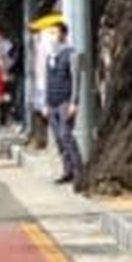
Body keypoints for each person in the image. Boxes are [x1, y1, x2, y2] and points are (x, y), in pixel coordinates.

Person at [43, 21, 82, 185]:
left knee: (66, 134)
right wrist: (45, 102)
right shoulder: (50, 56)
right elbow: (47, 80)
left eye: (55, 32)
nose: (52, 36)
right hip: (52, 101)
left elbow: (75, 78)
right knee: (58, 138)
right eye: (50, 33)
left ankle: (79, 169)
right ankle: (67, 171)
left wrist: (74, 102)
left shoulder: (71, 54)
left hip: (65, 100)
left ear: (64, 34)